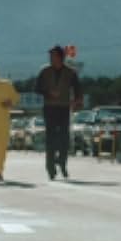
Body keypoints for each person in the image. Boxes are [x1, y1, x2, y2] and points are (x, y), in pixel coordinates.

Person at [35, 45, 82, 180]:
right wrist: (48, 93)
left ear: (61, 57)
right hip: (49, 107)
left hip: (64, 107)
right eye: (50, 56)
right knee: (51, 138)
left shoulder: (70, 72)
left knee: (64, 138)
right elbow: (37, 88)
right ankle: (50, 167)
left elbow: (78, 88)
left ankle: (62, 163)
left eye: (54, 56)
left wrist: (77, 99)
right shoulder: (44, 71)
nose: (51, 59)